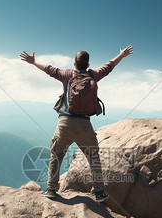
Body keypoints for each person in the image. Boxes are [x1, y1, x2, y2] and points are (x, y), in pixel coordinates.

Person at [20, 46, 134, 202]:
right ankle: (100, 192)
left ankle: (52, 189)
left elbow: (49, 69)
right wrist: (121, 55)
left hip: (65, 123)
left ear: (74, 64)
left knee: (56, 155)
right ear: (88, 64)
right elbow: (109, 66)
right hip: (84, 124)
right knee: (93, 157)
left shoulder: (67, 74)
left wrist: (33, 62)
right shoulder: (93, 75)